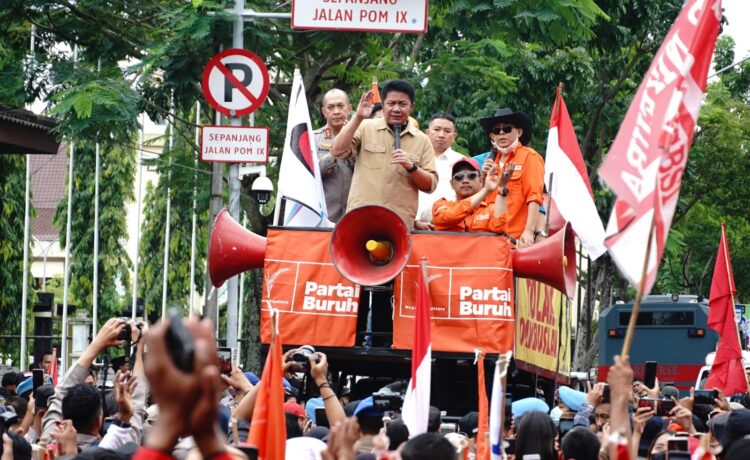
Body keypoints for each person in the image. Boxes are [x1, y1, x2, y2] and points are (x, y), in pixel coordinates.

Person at [331, 79, 437, 230]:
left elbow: (430, 185)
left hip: (399, 225)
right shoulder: (365, 127)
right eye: (391, 103)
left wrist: (411, 167)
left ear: (411, 107)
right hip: (361, 219)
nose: (396, 109)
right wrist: (358, 117)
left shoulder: (422, 140)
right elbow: (337, 151)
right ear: (383, 104)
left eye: (402, 104)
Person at [479, 108, 545, 246]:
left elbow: (534, 197)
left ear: (519, 132)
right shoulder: (489, 162)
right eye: (496, 131)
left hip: (515, 239)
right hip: (488, 237)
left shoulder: (529, 157)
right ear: (492, 136)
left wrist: (529, 231)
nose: (501, 133)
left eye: (507, 129)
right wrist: (482, 179)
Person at [432, 158, 511, 233]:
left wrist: (501, 188)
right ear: (452, 184)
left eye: (471, 176)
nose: (465, 181)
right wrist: (486, 190)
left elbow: (499, 228)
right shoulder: (440, 204)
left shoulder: (490, 209)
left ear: (480, 181)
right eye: (459, 177)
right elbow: (448, 217)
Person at [415, 113, 465, 230]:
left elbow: (468, 197)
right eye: (437, 129)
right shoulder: (414, 160)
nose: (441, 135)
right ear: (427, 133)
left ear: (454, 136)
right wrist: (415, 221)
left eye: (447, 131)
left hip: (451, 228)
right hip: (416, 228)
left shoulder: (463, 162)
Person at [315, 88, 354, 223]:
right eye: (331, 107)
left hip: (355, 216)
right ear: (324, 112)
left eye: (340, 106)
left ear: (349, 109)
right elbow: (309, 175)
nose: (336, 111)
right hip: (324, 217)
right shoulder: (312, 139)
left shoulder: (362, 137)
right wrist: (332, 156)